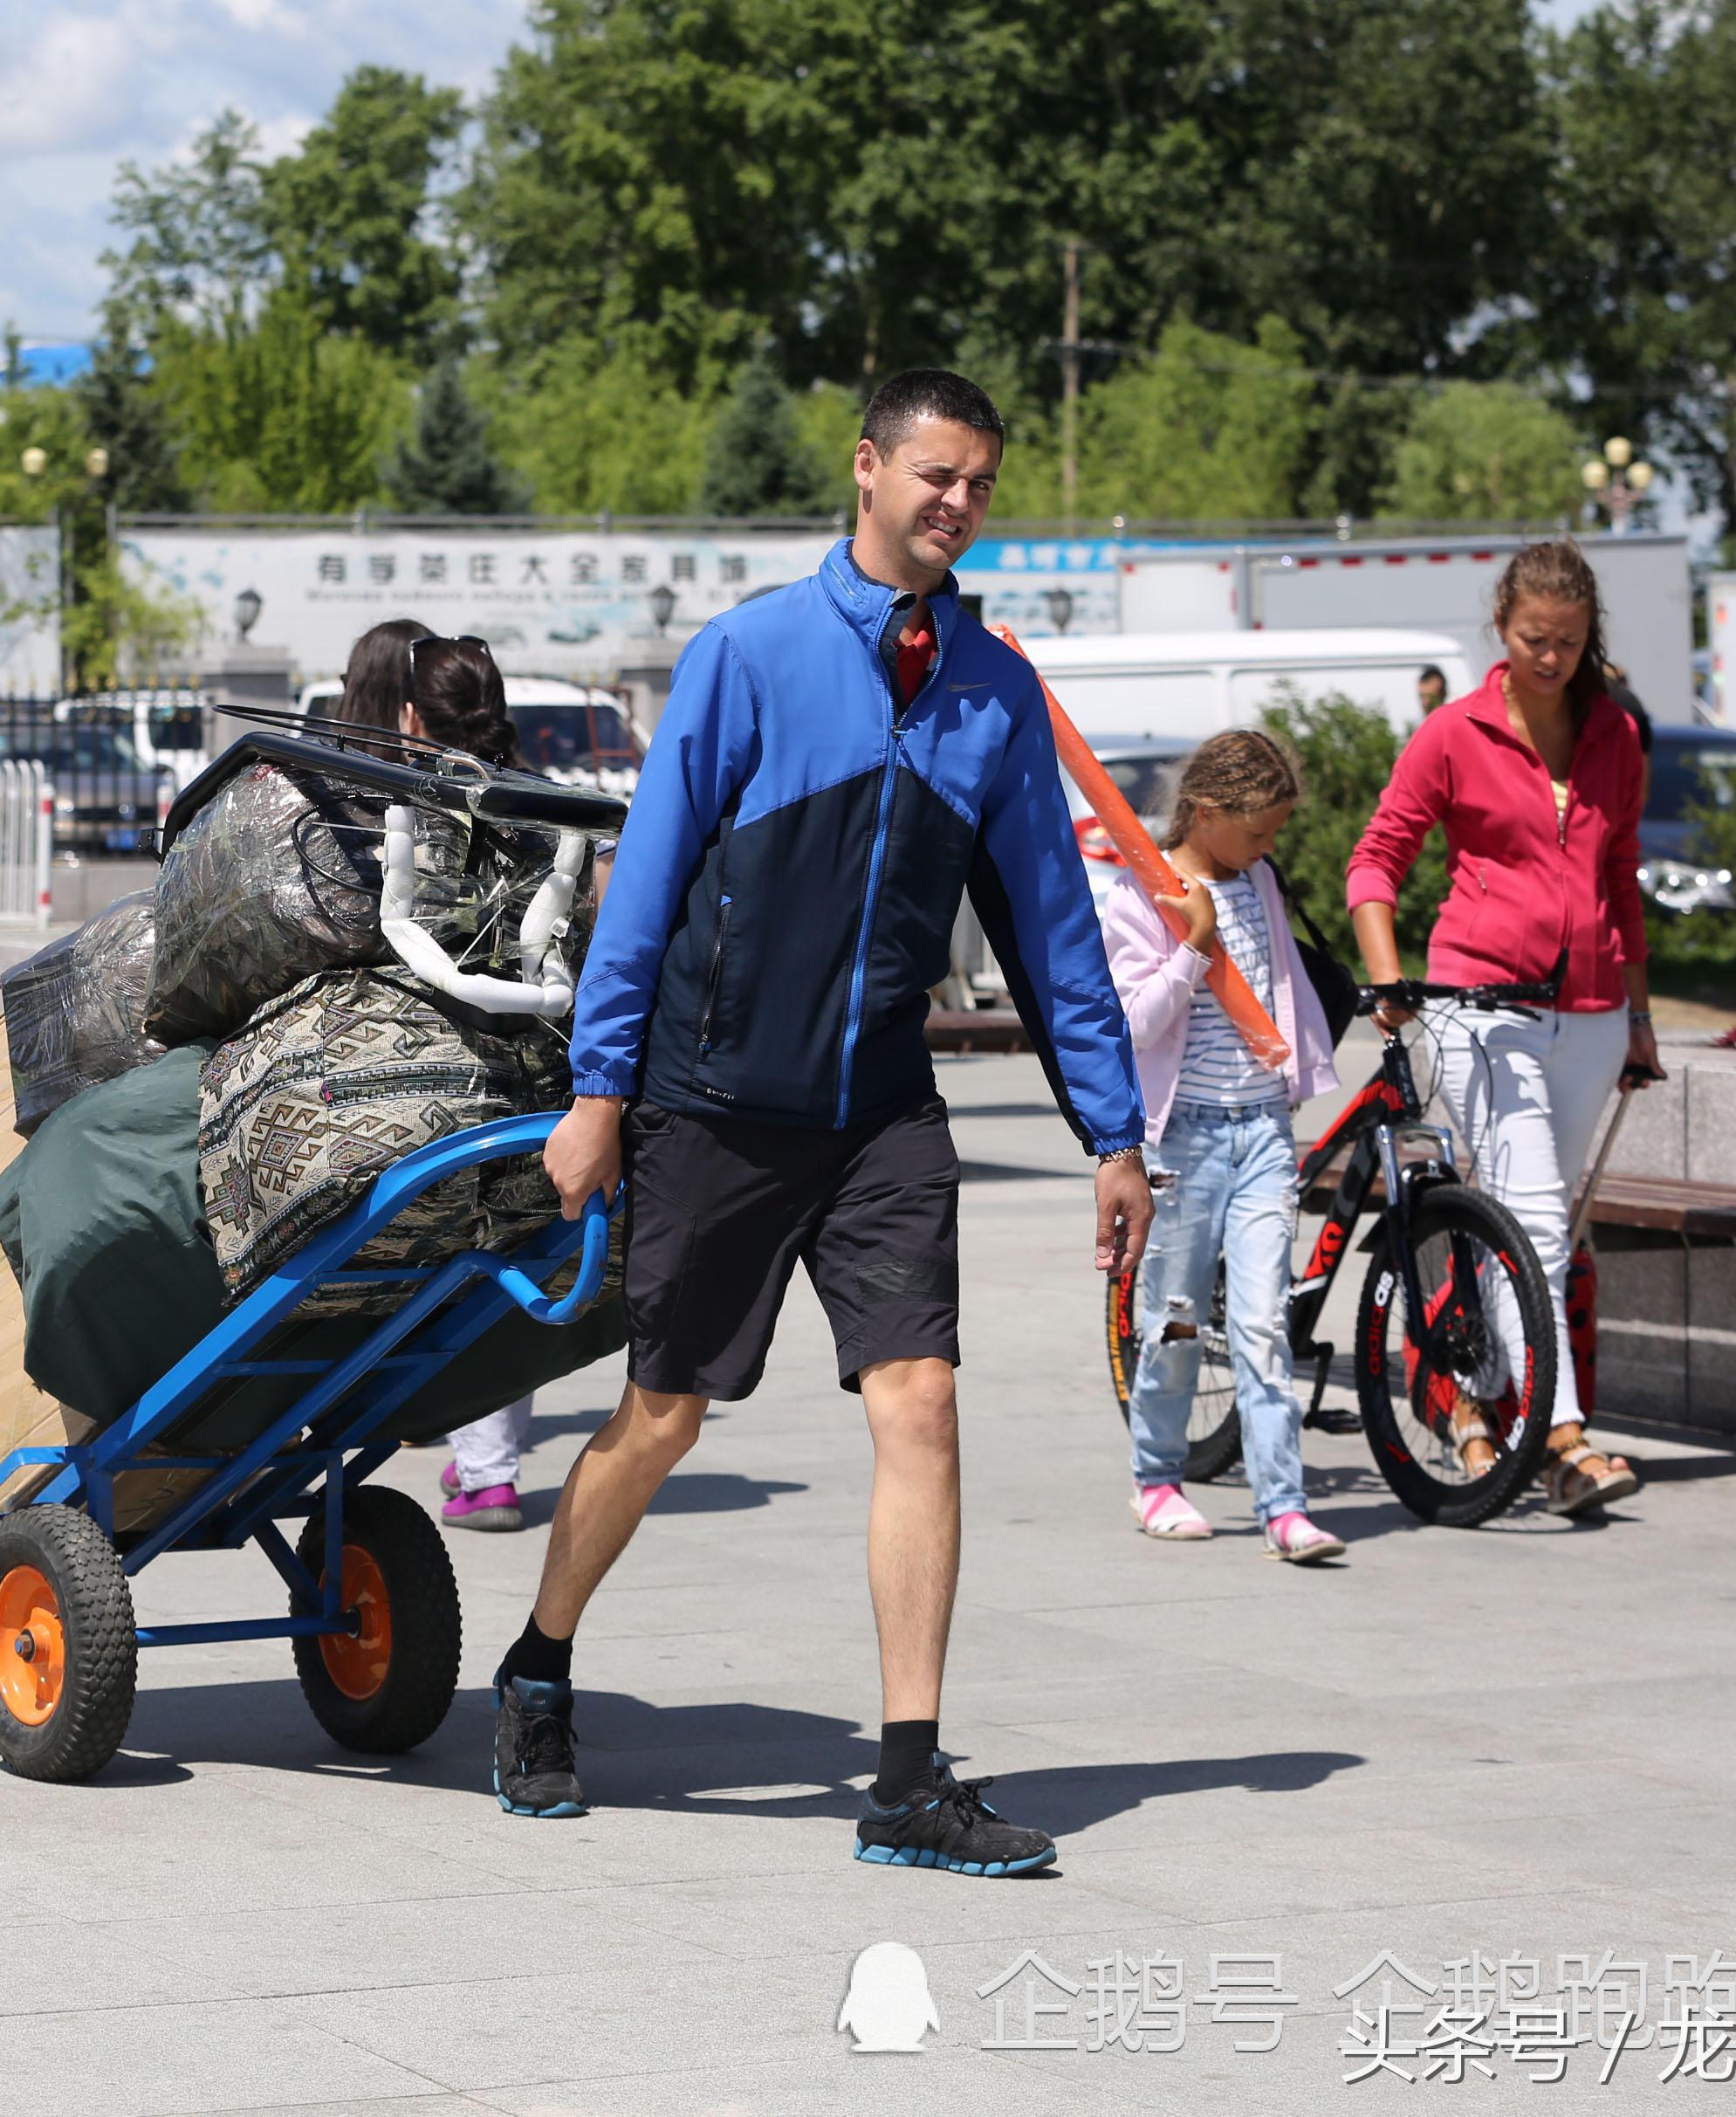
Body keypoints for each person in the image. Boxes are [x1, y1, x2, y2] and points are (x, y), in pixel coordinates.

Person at [516, 368, 1154, 1874]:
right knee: (661, 1414)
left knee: (918, 1404)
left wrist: (1111, 1135)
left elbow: (1052, 929)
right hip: (713, 1101)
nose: (956, 505)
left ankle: (907, 1779)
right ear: (864, 470)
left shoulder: (993, 690)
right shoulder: (746, 657)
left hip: (877, 1108)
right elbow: (648, 885)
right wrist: (596, 1094)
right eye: (933, 476)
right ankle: (538, 1667)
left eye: (978, 486)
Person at [1348, 540, 1654, 1517]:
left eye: (1567, 642)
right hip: (1480, 1004)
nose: (1550, 658)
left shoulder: (1616, 736)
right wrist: (1390, 976)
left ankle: (1471, 1408)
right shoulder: (1455, 732)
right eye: (1533, 639)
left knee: (1534, 1230)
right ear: (1501, 628)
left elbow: (1621, 881)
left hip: (1595, 1014)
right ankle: (1559, 1434)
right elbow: (1376, 862)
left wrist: (1641, 1015)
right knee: (1526, 1216)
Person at [1095, 731, 1347, 1564]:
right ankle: (1157, 1476)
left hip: (1265, 1131)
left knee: (1263, 1324)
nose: (1269, 848)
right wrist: (1195, 946)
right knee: (1173, 1318)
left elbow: (1281, 983)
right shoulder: (1140, 894)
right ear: (1208, 812)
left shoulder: (1261, 882)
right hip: (1186, 1139)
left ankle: (1285, 1504)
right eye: (1260, 831)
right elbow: (1129, 1024)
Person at [321, 617, 541, 1533]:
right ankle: (487, 1468)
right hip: (540, 1063)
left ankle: (462, 1451)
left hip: (431, 1064)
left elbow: (395, 936)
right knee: (509, 1257)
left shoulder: (410, 808)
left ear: (412, 715)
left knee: (450, 1254)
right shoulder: (538, 802)